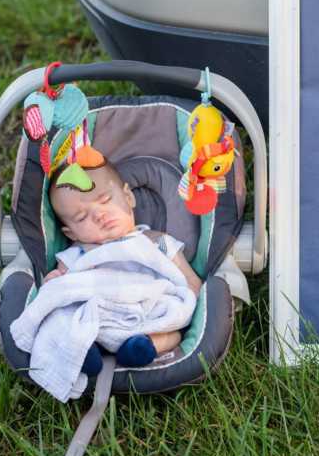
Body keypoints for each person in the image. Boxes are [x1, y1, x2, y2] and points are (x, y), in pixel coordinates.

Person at [46, 156, 202, 373]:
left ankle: (141, 348)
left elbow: (189, 279)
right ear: (71, 233)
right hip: (101, 318)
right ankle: (85, 351)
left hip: (151, 313)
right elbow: (61, 287)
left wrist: (190, 302)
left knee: (173, 333)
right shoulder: (79, 252)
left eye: (105, 200)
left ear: (128, 197)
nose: (100, 215)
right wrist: (52, 280)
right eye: (82, 218)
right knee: (68, 320)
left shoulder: (156, 241)